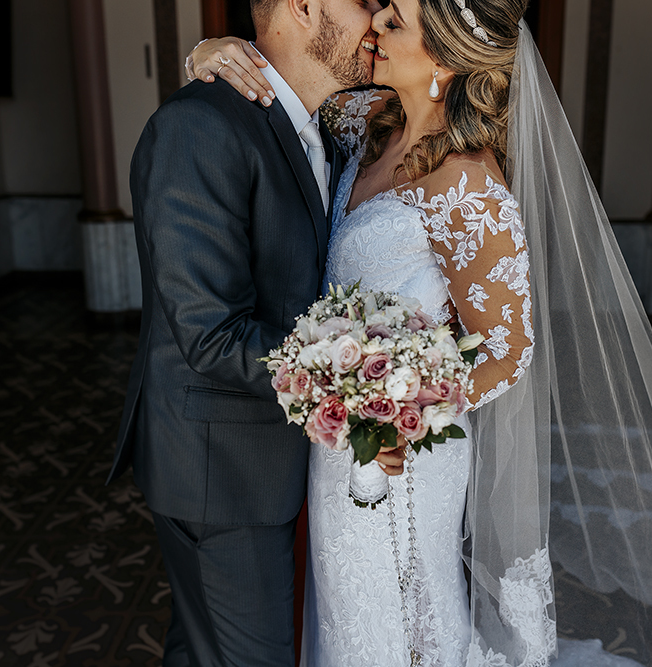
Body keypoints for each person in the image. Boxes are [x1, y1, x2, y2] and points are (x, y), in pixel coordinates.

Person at [187, 1, 652, 666]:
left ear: (446, 61)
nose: (372, 26)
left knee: (404, 611)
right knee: (344, 606)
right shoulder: (363, 124)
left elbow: (511, 348)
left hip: (404, 448)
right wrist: (213, 52)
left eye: (393, 22)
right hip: (342, 430)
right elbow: (286, 92)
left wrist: (404, 410)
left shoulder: (467, 184)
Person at [104, 1, 403, 665]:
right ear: (304, 7)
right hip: (223, 473)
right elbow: (210, 334)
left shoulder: (324, 126)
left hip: (268, 458)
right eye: (363, 1)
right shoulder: (199, 127)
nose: (378, 16)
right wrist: (360, 373)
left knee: (201, 649)